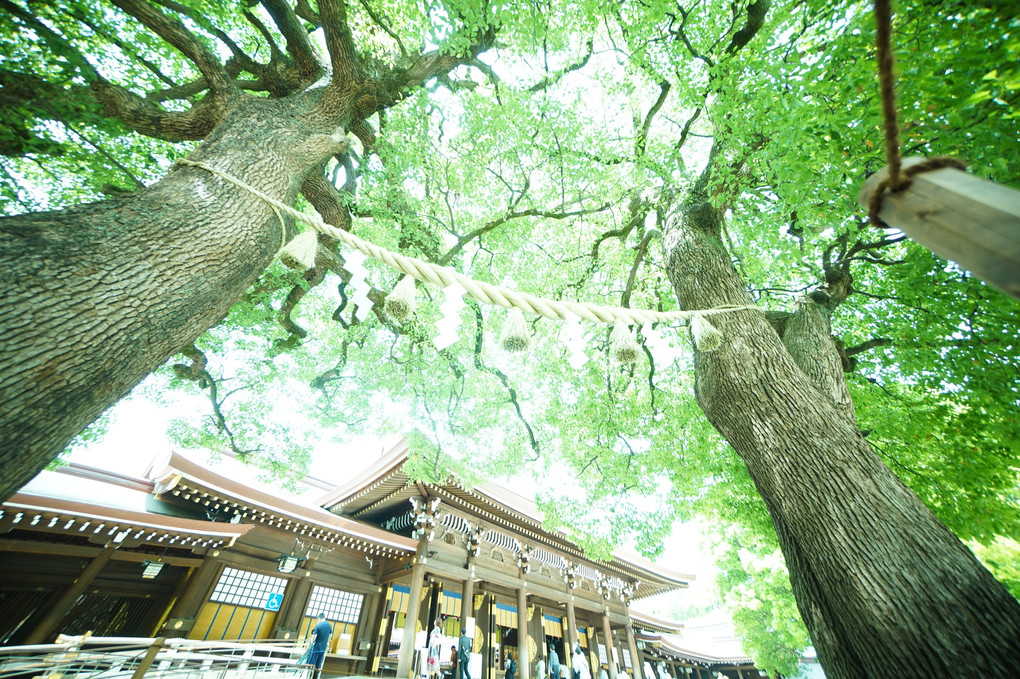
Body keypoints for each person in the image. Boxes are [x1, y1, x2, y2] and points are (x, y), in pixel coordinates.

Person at [307, 613, 332, 679]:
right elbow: (330, 636)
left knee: (312, 665)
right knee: (318, 665)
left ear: (319, 618)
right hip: (323, 649)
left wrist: (311, 643)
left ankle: (310, 677)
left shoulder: (318, 626)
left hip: (316, 648)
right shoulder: (329, 625)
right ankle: (315, 677)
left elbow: (314, 637)